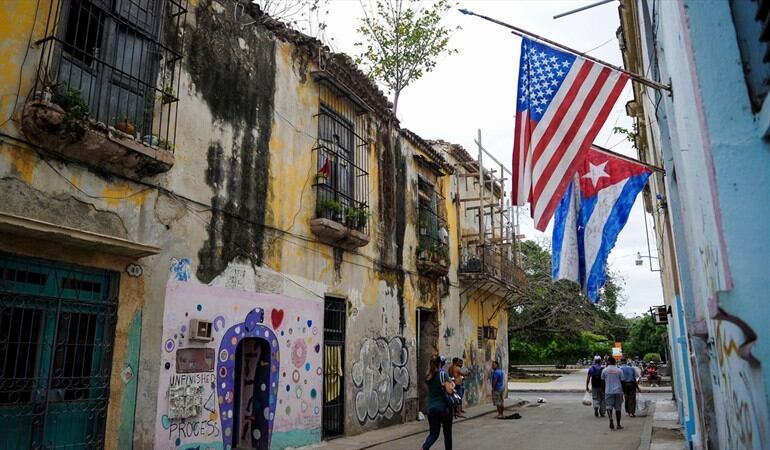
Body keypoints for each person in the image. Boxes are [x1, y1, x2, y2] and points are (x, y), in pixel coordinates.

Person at [420, 355, 453, 450]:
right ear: (440, 364)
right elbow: (449, 391)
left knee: (433, 434)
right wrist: (450, 384)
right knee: (447, 434)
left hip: (432, 408)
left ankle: (424, 448)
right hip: (444, 408)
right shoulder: (443, 375)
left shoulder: (428, 377)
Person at [602, 358, 625, 430]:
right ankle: (618, 424)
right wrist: (623, 392)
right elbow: (623, 381)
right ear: (615, 362)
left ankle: (611, 419)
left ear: (608, 362)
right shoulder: (619, 370)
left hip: (608, 391)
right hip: (618, 391)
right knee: (618, 408)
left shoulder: (605, 370)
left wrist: (604, 390)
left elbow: (602, 380)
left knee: (609, 406)